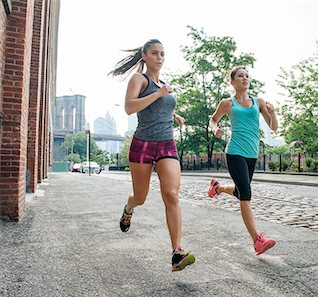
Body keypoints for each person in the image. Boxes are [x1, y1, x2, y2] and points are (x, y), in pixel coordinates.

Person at [109, 39, 195, 272]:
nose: (159, 57)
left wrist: (173, 114)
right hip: (143, 144)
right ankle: (129, 208)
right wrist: (159, 95)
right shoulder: (140, 79)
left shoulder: (163, 84)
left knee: (172, 194)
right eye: (155, 53)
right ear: (145, 56)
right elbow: (130, 107)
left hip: (167, 144)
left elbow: (161, 105)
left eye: (162, 54)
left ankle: (177, 253)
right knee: (141, 196)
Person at [208, 67, 279, 255]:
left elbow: (274, 128)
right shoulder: (227, 103)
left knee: (240, 191)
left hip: (251, 154)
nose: (245, 78)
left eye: (247, 76)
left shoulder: (259, 102)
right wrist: (215, 129)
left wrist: (273, 113)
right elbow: (213, 120)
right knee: (246, 194)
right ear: (232, 82)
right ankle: (257, 240)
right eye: (240, 76)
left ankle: (218, 187)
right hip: (235, 152)